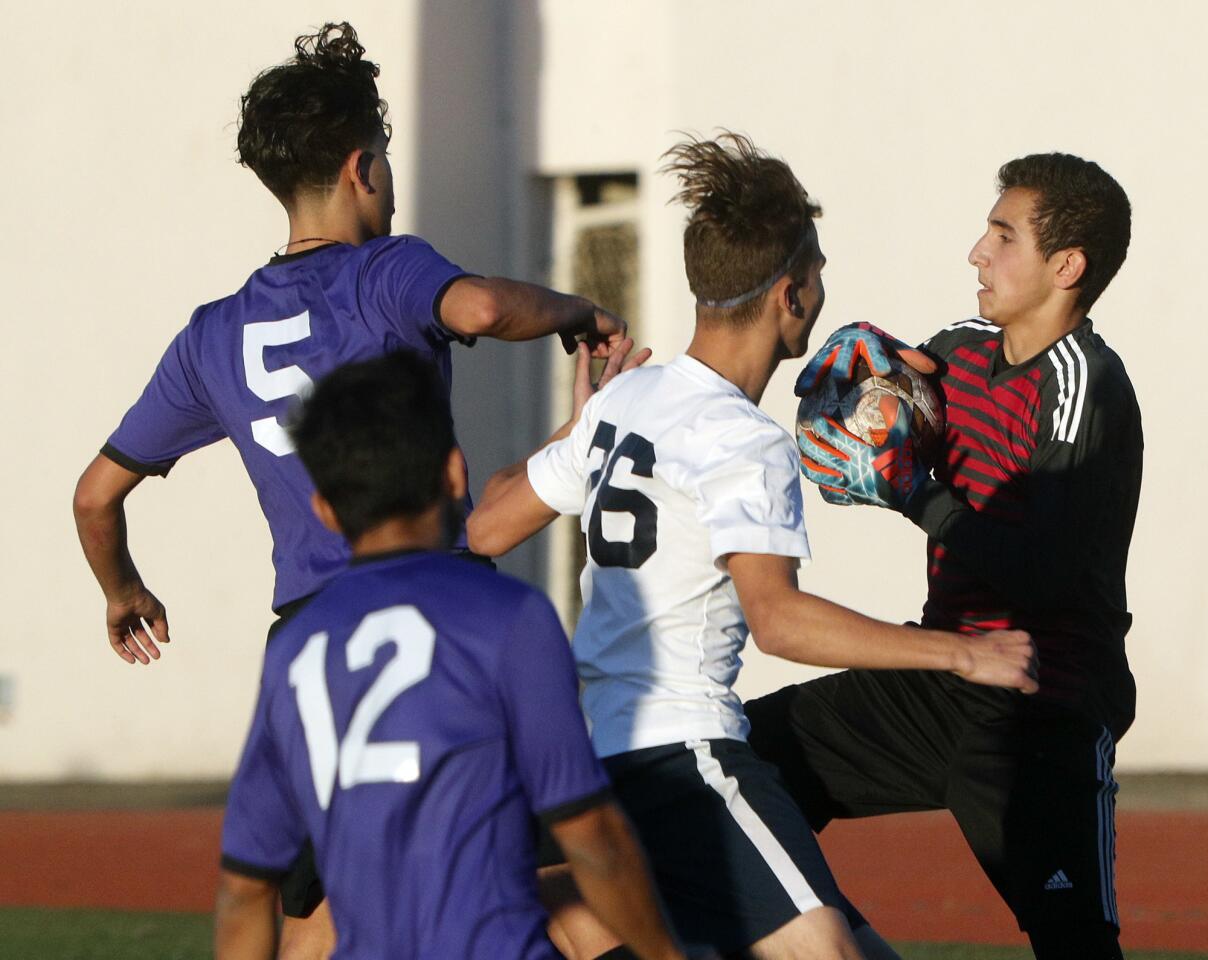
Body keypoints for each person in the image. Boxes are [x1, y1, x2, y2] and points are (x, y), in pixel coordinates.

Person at [70, 22, 624, 957]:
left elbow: (94, 495)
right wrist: (581, 309)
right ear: (364, 166)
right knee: (552, 886)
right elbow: (483, 308)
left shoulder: (210, 336)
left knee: (326, 914)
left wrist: (122, 590)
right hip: (435, 619)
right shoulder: (388, 270)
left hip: (311, 642)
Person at [467, 133, 1038, 960]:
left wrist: (581, 421)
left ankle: (536, 900)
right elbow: (779, 622)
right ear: (789, 295)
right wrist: (957, 654)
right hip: (684, 758)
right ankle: (515, 903)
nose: (820, 286)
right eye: (817, 270)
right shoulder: (742, 438)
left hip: (595, 759)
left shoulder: (627, 400)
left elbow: (485, 526)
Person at [751, 152, 1140, 959]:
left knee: (1075, 947)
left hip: (1042, 705)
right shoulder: (963, 347)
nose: (976, 252)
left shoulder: (1085, 389)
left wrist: (906, 492)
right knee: (747, 766)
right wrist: (864, 375)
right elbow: (896, 393)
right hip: (946, 678)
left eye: (1003, 236)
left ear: (1066, 266)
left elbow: (1040, 572)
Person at [214, 350, 689, 960]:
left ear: (326, 511)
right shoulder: (508, 617)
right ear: (455, 475)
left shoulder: (297, 649)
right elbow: (591, 837)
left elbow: (243, 889)